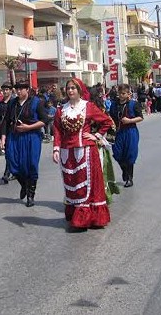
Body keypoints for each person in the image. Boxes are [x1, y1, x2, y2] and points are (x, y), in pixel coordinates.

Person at [52, 78, 113, 230]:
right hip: (68, 152)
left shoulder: (88, 107)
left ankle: (87, 218)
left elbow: (106, 121)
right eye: (68, 88)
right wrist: (56, 149)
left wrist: (96, 136)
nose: (70, 90)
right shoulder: (61, 109)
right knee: (71, 183)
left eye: (73, 88)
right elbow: (57, 130)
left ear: (79, 90)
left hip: (85, 150)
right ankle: (76, 214)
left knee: (87, 185)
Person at [1, 81, 47, 207]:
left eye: (21, 89)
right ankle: (24, 185)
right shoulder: (12, 103)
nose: (19, 91)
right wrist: (3, 137)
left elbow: (44, 120)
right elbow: (6, 120)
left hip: (32, 136)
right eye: (17, 89)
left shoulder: (36, 102)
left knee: (31, 164)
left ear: (27, 90)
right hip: (15, 136)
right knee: (12, 162)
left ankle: (31, 195)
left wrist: (29, 127)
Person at [109, 83, 144, 188]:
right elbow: (111, 116)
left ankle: (129, 178)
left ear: (128, 93)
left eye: (123, 93)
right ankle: (124, 170)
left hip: (130, 131)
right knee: (117, 153)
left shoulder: (134, 104)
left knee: (130, 154)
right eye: (119, 93)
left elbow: (141, 117)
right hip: (118, 132)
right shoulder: (114, 104)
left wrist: (130, 120)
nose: (121, 95)